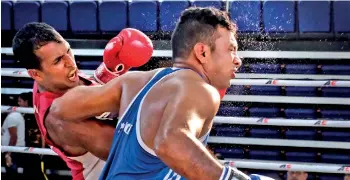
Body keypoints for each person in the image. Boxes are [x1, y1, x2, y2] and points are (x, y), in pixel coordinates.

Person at [47, 7, 274, 180]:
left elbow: (58, 112)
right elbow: (171, 143)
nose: (238, 59)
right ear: (202, 52)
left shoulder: (134, 81)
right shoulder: (201, 89)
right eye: (231, 49)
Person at [12, 22, 153, 179]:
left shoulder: (54, 79)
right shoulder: (62, 121)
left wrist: (109, 71)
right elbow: (131, 154)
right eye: (58, 60)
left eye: (68, 50)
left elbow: (88, 94)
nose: (71, 63)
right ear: (36, 74)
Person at [2, 92, 27, 179]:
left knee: (12, 175)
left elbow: (14, 137)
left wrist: (8, 153)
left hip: (13, 150)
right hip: (14, 149)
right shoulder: (14, 116)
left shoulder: (13, 117)